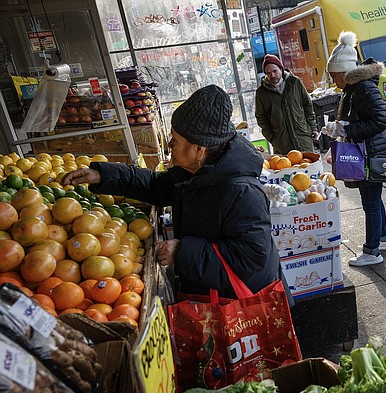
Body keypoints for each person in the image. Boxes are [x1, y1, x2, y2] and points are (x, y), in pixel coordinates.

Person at [62, 85, 283, 299]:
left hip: (243, 304)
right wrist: (103, 175)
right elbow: (156, 185)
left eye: (175, 141)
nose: (169, 145)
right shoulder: (197, 172)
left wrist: (183, 251)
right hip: (212, 292)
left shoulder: (242, 193)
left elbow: (252, 257)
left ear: (199, 149)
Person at [324, 31, 386, 267]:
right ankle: (383, 238)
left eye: (334, 76)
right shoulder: (354, 89)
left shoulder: (363, 88)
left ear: (344, 73)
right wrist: (340, 128)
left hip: (370, 153)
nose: (333, 81)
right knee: (374, 199)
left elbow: (380, 120)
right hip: (368, 151)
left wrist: (347, 128)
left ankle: (372, 250)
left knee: (371, 203)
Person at [255, 54, 319, 154]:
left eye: (275, 71)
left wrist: (313, 128)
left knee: (309, 166)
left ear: (281, 68)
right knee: (287, 168)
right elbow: (261, 117)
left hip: (303, 137)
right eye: (268, 73)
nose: (272, 75)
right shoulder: (261, 93)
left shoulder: (294, 83)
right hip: (282, 144)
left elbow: (307, 105)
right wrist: (272, 138)